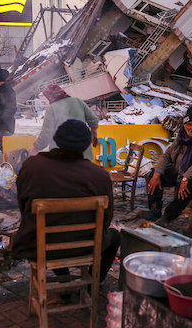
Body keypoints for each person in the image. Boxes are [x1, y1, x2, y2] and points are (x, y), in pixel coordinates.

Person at [12, 119, 120, 282]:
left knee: (49, 230)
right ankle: (92, 284)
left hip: (38, 246)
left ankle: (63, 279)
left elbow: (23, 207)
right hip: (86, 246)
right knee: (115, 237)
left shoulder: (32, 166)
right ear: (86, 145)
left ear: (56, 140)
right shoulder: (99, 175)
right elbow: (106, 219)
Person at [137, 106, 192, 226]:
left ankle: (168, 216)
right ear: (184, 125)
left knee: (190, 185)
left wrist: (185, 178)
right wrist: (157, 174)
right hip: (182, 170)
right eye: (189, 124)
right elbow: (167, 155)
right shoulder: (182, 136)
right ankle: (155, 210)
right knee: (154, 175)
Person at [29, 84, 99, 160]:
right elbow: (93, 120)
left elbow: (46, 133)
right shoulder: (77, 101)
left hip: (62, 157)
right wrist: (94, 133)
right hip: (83, 154)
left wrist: (35, 149)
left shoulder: (52, 108)